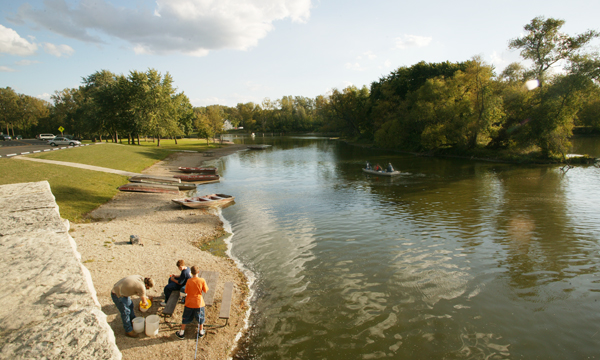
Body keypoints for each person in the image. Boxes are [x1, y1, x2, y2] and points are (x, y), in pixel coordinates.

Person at [175, 266, 209, 340]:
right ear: (198, 272)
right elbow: (206, 290)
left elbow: (186, 291)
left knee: (185, 317)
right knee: (200, 317)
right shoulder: (202, 280)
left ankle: (181, 332)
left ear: (191, 273)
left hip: (189, 302)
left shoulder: (189, 281)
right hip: (199, 303)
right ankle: (201, 332)